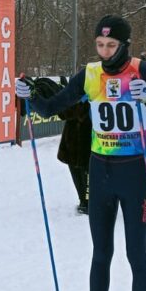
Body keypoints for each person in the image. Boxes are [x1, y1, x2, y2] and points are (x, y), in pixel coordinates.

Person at [17, 15, 146, 291]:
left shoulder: (144, 71)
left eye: (111, 46)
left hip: (133, 171)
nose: (105, 52)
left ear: (124, 45)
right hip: (100, 170)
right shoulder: (90, 74)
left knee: (136, 253)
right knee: (100, 253)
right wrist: (30, 97)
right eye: (100, 45)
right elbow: (52, 107)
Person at [55, 81, 92, 215]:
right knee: (76, 173)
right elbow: (62, 114)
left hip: (88, 143)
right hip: (71, 144)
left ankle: (88, 203)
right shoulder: (72, 97)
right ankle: (83, 200)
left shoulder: (94, 98)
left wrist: (80, 103)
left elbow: (81, 115)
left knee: (88, 174)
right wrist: (68, 100)